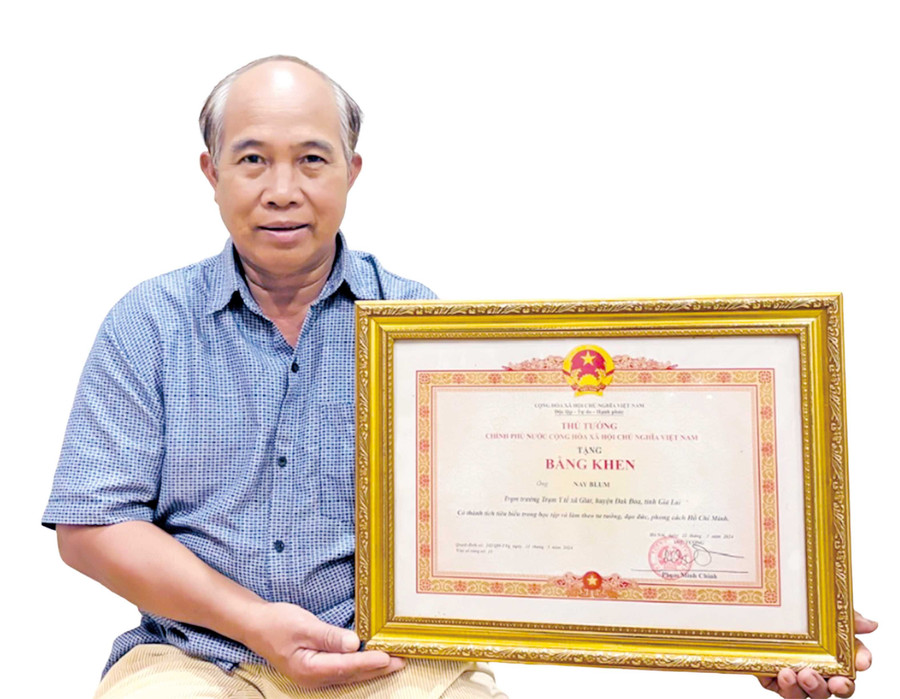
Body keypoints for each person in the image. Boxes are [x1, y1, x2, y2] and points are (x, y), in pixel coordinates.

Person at [43, 56, 873, 699]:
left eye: (312, 159)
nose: (282, 190)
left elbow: (556, 517)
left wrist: (763, 625)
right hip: (198, 657)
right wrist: (254, 623)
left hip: (392, 660)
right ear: (211, 171)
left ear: (352, 171)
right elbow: (91, 524)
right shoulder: (147, 323)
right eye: (253, 158)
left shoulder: (424, 335)